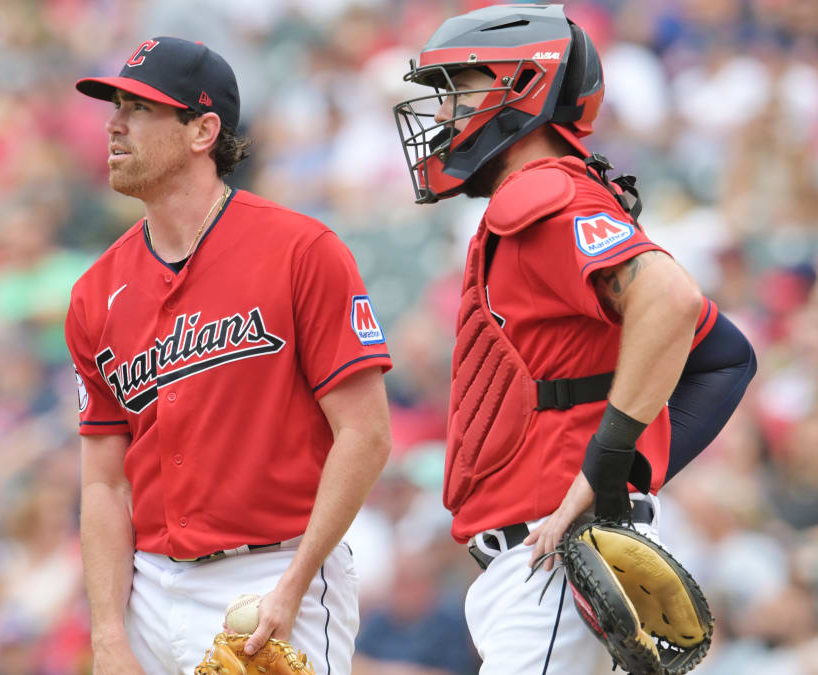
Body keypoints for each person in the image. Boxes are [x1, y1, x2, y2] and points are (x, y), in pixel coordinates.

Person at [391, 5, 756, 673]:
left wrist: (607, 466)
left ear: (525, 82)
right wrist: (623, 474)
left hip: (556, 561)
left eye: (460, 88)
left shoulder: (543, 194)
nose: (443, 115)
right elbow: (724, 358)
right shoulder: (553, 197)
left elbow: (673, 303)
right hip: (551, 561)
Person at [68, 36, 393, 674]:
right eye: (115, 106)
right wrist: (108, 634)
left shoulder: (301, 250)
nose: (114, 123)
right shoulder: (95, 292)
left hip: (273, 572)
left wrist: (296, 584)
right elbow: (103, 483)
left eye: (139, 108)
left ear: (202, 130)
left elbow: (366, 434)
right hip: (149, 591)